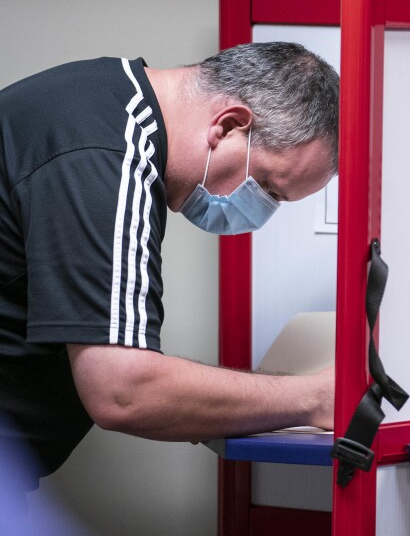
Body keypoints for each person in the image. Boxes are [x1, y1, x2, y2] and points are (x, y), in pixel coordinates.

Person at [0, 42, 339, 496]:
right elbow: (123, 390)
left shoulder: (104, 101)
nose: (261, 213)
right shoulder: (108, 155)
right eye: (269, 190)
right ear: (230, 126)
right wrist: (316, 398)